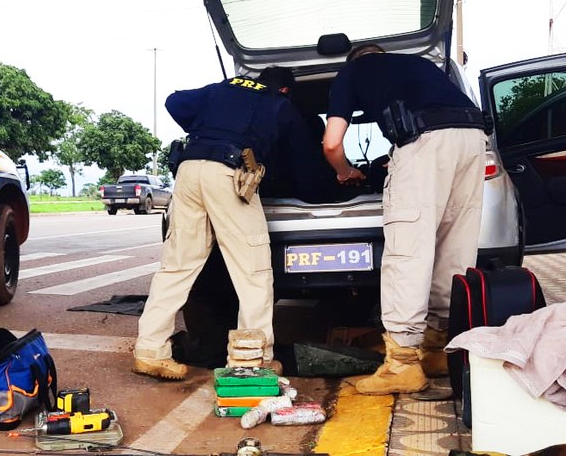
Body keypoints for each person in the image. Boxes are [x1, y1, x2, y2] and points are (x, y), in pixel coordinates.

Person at [322, 44, 489, 395]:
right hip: (473, 138)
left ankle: (402, 364)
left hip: (424, 139)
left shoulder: (352, 71)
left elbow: (332, 144)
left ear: (355, 59)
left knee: (408, 251)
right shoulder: (421, 66)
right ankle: (438, 350)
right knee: (454, 247)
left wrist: (345, 171)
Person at [132, 67, 304, 380]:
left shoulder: (221, 89)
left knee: (177, 266)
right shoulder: (277, 103)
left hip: (189, 171)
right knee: (252, 271)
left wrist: (206, 129)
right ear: (284, 90)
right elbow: (299, 156)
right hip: (229, 173)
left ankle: (150, 350)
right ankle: (251, 360)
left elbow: (174, 102)